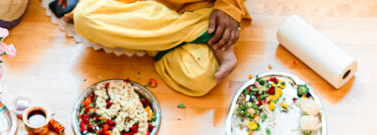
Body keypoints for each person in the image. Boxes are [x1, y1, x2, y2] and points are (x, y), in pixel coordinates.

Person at [67, 0, 246, 97]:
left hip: (199, 8)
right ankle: (200, 33)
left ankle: (150, 37)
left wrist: (229, 7)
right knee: (85, 17)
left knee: (201, 77)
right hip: (143, 5)